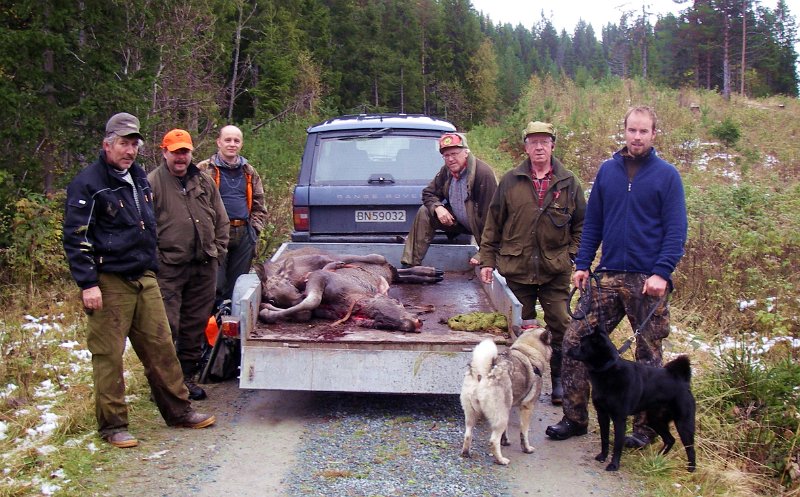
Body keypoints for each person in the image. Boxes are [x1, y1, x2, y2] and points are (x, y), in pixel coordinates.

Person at [62, 113, 216, 449]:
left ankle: (178, 411)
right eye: (123, 143)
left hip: (145, 275)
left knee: (161, 348)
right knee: (109, 355)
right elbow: (76, 237)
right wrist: (88, 284)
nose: (129, 150)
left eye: (134, 144)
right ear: (107, 144)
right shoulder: (88, 183)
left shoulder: (137, 178)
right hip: (108, 280)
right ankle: (113, 426)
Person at [545, 106, 688, 445]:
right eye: (632, 130)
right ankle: (575, 417)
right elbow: (593, 222)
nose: (636, 137)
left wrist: (661, 273)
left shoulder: (667, 176)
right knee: (575, 340)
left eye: (643, 131)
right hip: (607, 276)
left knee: (648, 355)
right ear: (624, 131)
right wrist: (582, 264)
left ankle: (645, 430)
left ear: (654, 134)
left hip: (647, 280)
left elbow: (676, 230)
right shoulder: (608, 172)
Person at [479, 121, 585, 405]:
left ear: (553, 145)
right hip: (517, 268)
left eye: (544, 141)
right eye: (533, 142)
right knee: (515, 327)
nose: (539, 147)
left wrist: (572, 255)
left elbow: (582, 225)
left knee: (561, 325)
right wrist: (487, 259)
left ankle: (560, 381)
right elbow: (493, 224)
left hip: (554, 270)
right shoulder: (511, 181)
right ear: (525, 147)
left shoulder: (568, 182)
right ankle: (515, 381)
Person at [148, 129, 230, 401]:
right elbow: (145, 228)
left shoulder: (204, 181)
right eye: (175, 152)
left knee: (194, 327)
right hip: (169, 269)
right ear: (164, 153)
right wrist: (157, 260)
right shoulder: (152, 184)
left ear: (191, 153)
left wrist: (217, 251)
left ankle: (185, 380)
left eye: (185, 151)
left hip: (203, 267)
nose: (180, 157)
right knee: (166, 328)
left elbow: (221, 220)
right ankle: (163, 385)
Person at [400, 132, 497, 268]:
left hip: (481, 226)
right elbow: (428, 193)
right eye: (446, 155)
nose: (450, 159)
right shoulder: (447, 171)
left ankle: (487, 253)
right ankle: (410, 265)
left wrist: (485, 253)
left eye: (454, 154)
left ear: (466, 153)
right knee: (425, 211)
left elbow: (493, 218)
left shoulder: (482, 174)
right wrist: (438, 208)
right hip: (459, 222)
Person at [197, 125, 268, 304]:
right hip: (215, 235)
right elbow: (193, 204)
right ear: (219, 142)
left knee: (238, 286)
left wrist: (254, 230)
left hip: (243, 233)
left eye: (236, 140)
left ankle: (233, 324)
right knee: (215, 284)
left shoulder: (249, 171)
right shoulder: (204, 169)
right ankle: (213, 325)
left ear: (241, 144)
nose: (232, 144)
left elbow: (259, 204)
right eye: (227, 140)